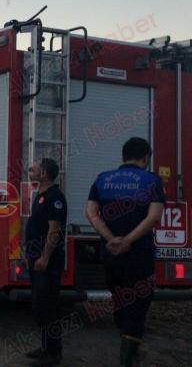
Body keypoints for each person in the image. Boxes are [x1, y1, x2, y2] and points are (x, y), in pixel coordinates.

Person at [86, 137, 165, 367]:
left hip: (111, 255)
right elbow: (154, 216)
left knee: (119, 298)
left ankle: (128, 348)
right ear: (145, 158)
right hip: (138, 255)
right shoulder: (151, 181)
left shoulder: (102, 179)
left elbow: (90, 213)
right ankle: (128, 358)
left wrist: (112, 240)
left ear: (124, 156)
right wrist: (128, 241)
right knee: (139, 304)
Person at [24, 158, 67, 366]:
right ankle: (44, 348)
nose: (30, 169)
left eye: (35, 168)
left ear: (45, 174)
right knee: (39, 307)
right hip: (35, 259)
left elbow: (54, 230)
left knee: (49, 307)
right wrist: (30, 255)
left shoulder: (55, 197)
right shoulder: (40, 195)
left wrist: (45, 257)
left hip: (48, 262)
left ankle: (54, 354)